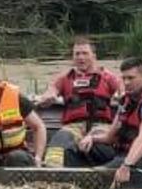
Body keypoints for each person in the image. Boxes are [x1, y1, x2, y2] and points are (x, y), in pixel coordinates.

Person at [66, 57, 142, 184]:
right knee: (74, 150)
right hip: (125, 153)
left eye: (131, 78)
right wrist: (91, 139)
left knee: (110, 168)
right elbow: (109, 137)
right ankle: (72, 186)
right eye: (124, 78)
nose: (126, 82)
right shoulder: (125, 102)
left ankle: (90, 185)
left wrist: (126, 165)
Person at [35, 37, 123, 166]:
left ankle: (104, 171)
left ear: (94, 56)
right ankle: (52, 175)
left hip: (100, 124)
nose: (81, 57)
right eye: (77, 54)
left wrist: (120, 94)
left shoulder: (107, 76)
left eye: (85, 53)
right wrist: (49, 97)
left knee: (99, 143)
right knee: (59, 142)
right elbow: (51, 90)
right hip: (74, 126)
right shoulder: (65, 77)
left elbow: (123, 89)